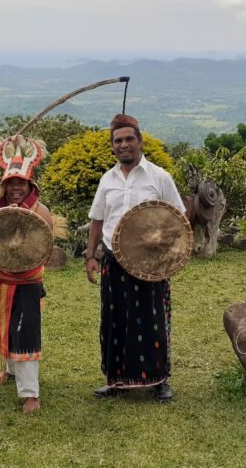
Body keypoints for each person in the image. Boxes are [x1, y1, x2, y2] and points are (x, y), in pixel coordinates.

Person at [84, 114, 186, 401]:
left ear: (140, 142)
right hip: (113, 262)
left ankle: (160, 380)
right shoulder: (107, 179)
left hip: (150, 264)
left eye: (129, 139)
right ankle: (116, 380)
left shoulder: (159, 177)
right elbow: (97, 220)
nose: (124, 144)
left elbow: (178, 218)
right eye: (118, 140)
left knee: (152, 320)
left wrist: (168, 253)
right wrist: (91, 256)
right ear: (112, 146)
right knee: (114, 320)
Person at [0, 135, 54, 413]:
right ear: (4, 185)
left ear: (30, 185)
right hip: (2, 280)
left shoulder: (41, 211)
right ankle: (11, 371)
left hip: (27, 282)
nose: (15, 188)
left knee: (25, 334)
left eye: (21, 183)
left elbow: (44, 249)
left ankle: (31, 394)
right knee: (6, 328)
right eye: (11, 183)